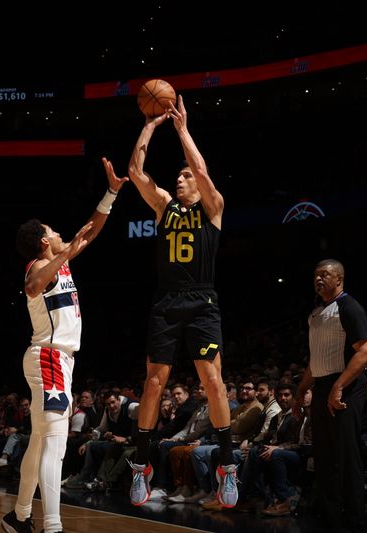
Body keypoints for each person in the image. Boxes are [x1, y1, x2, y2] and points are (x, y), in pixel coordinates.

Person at [0, 157, 127, 533]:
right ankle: (52, 526)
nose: (61, 235)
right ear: (44, 241)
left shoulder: (62, 260)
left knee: (40, 442)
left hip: (58, 360)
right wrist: (66, 252)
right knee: (55, 444)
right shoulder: (36, 269)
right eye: (54, 232)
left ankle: (19, 516)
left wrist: (112, 192)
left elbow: (92, 229)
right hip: (49, 358)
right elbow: (33, 285)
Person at [125, 95, 237, 508]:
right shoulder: (164, 208)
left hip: (202, 302)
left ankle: (227, 465)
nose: (180, 178)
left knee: (213, 381)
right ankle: (141, 467)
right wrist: (151, 125)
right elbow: (136, 171)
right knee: (153, 383)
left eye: (185, 175)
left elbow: (204, 171)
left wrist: (182, 129)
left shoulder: (213, 208)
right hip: (167, 303)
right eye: (178, 175)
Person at [296, 259, 367, 532]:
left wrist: (338, 387)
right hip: (321, 385)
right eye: (315, 275)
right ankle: (331, 518)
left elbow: (365, 352)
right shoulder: (316, 312)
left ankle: (355, 521)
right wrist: (300, 392)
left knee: (347, 456)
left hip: (346, 387)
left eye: (325, 275)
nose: (318, 279)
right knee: (324, 456)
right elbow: (315, 359)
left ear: (339, 278)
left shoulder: (350, 306)